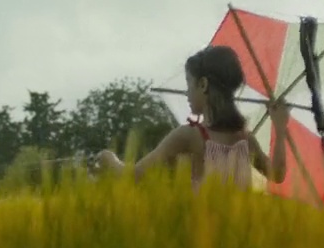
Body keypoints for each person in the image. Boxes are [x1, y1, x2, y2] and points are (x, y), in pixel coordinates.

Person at [96, 45, 291, 191]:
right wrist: (280, 128)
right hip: (239, 232)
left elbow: (134, 176)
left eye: (188, 83)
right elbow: (277, 174)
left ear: (203, 84)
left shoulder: (189, 136)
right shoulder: (246, 140)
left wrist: (108, 158)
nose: (186, 93)